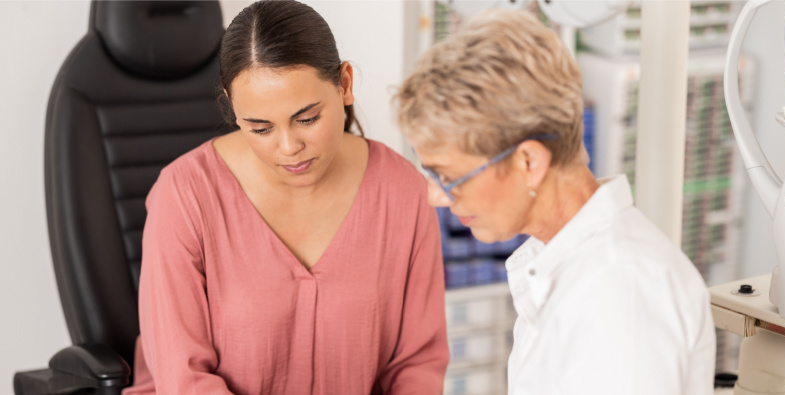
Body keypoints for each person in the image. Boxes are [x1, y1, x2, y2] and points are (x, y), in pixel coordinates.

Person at [123, 1, 448, 394]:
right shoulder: (183, 195)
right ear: (231, 106)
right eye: (260, 128)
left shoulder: (403, 191)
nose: (289, 147)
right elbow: (183, 378)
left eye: (307, 119)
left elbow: (417, 365)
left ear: (344, 84)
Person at [395, 9, 715, 395]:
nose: (436, 197)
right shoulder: (567, 266)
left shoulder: (617, 292)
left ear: (529, 162)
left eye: (448, 177)